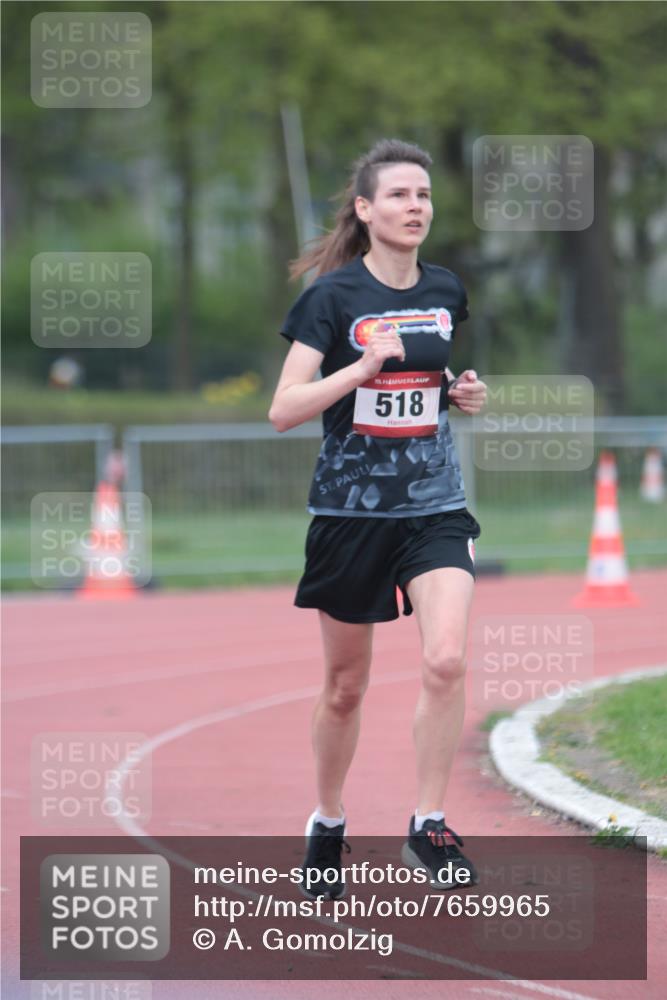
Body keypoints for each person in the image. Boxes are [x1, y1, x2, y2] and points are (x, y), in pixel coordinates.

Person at [269, 138, 487, 897]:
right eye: (397, 195)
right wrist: (357, 370)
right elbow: (282, 410)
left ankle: (427, 824)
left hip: (433, 507)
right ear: (364, 210)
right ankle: (327, 820)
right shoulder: (329, 299)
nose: (414, 207)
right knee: (344, 687)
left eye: (423, 195)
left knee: (446, 660)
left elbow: (433, 381)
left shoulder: (446, 289)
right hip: (350, 514)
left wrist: (459, 392)